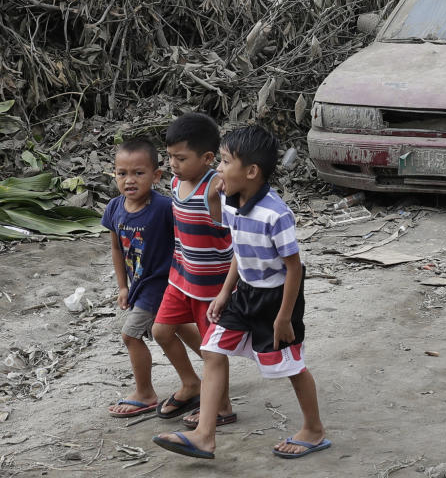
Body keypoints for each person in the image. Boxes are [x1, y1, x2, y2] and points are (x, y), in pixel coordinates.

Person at [153, 125, 327, 459]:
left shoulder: (276, 215)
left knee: (291, 366)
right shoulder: (233, 202)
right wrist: (224, 293)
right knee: (213, 350)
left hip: (275, 301)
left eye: (225, 161)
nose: (218, 169)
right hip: (244, 292)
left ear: (251, 171)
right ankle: (205, 434)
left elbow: (294, 268)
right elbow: (239, 251)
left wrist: (284, 317)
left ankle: (314, 430)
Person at [152, 113, 235, 426]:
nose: (173, 164)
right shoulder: (175, 182)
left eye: (181, 158)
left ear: (208, 158)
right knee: (161, 330)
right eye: (170, 156)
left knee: (212, 348)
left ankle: (223, 406)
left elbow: (225, 208)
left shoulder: (213, 188)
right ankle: (192, 383)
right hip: (182, 276)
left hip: (211, 286)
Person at [102, 139, 174, 417]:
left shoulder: (163, 208)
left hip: (160, 284)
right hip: (138, 285)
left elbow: (185, 240)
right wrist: (123, 286)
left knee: (130, 335)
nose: (129, 180)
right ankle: (214, 366)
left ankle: (145, 393)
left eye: (138, 173)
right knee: (175, 329)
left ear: (156, 176)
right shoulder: (114, 208)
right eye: (122, 173)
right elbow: (116, 248)